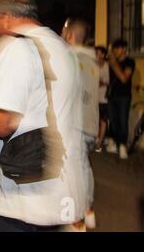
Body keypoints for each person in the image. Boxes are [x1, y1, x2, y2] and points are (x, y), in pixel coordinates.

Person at [0, 0, 89, 232]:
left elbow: (3, 122)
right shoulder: (61, 46)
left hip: (23, 199)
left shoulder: (15, 47)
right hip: (59, 194)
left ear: (4, 15)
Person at [62, 18, 98, 231]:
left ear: (71, 36)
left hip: (75, 123)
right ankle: (88, 211)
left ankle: (77, 223)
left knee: (74, 171)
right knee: (85, 167)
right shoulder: (93, 60)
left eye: (65, 32)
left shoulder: (70, 58)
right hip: (91, 124)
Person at [106, 39, 135, 160]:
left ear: (123, 49)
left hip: (124, 96)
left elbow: (124, 78)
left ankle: (122, 146)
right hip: (112, 95)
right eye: (113, 49)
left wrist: (113, 63)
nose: (114, 52)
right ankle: (114, 143)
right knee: (113, 120)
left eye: (116, 49)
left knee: (123, 120)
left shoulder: (129, 61)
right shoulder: (111, 61)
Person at [95, 46, 109, 152]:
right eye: (96, 53)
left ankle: (100, 142)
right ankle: (97, 139)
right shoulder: (94, 65)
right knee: (96, 120)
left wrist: (101, 81)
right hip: (95, 98)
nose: (97, 55)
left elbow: (108, 81)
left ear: (104, 55)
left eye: (99, 53)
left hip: (104, 98)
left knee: (103, 120)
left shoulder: (107, 66)